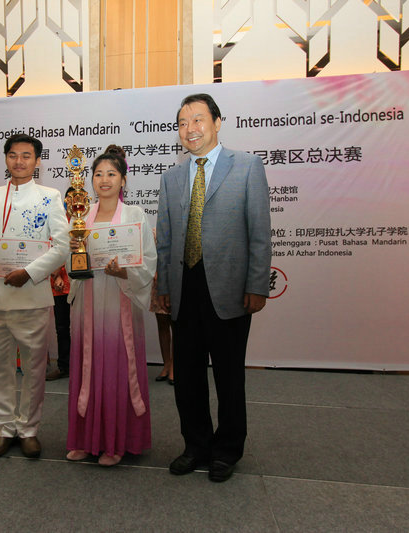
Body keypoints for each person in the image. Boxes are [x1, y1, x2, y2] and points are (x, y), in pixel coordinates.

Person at [156, 93, 271, 483]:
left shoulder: (248, 166)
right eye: (183, 122)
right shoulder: (171, 177)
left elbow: (260, 232)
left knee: (228, 376)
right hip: (183, 289)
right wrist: (163, 285)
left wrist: (257, 284)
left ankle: (227, 450)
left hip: (230, 290)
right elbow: (165, 240)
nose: (190, 129)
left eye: (198, 119)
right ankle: (196, 445)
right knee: (187, 377)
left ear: (217, 123)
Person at [0, 133, 69, 460]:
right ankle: (5, 428)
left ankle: (29, 429)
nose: (19, 161)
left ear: (37, 161)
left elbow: (62, 246)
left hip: (33, 295)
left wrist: (30, 272)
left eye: (26, 156)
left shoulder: (51, 196)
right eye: (13, 155)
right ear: (6, 159)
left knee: (34, 369)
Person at [65, 145, 156, 467]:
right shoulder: (81, 217)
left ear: (123, 180)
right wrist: (73, 254)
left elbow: (148, 260)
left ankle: (115, 443)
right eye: (99, 174)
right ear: (91, 180)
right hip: (88, 298)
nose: (104, 180)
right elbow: (69, 261)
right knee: (87, 365)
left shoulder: (134, 216)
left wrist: (126, 271)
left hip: (120, 299)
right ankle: (84, 440)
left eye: (112, 174)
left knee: (116, 368)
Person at [45, 187, 73, 381]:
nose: (72, 201)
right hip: (59, 284)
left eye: (76, 198)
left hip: (81, 283)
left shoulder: (87, 222)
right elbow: (52, 250)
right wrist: (57, 275)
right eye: (68, 198)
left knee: (84, 327)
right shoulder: (57, 222)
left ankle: (85, 366)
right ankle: (64, 366)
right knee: (62, 327)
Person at [150, 228, 173, 384]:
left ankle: (175, 366)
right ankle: (166, 364)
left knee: (177, 326)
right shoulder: (153, 232)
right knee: (162, 325)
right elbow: (148, 257)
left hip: (177, 282)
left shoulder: (180, 229)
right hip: (159, 284)